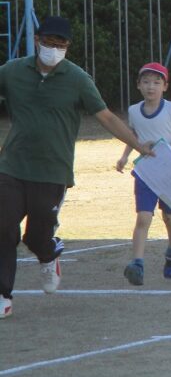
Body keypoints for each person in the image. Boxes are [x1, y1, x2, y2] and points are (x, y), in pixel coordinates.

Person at [0, 16, 153, 319]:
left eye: (60, 45)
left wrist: (138, 146)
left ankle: (48, 253)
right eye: (49, 43)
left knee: (35, 235)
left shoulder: (77, 78)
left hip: (53, 171)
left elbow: (106, 116)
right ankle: (3, 294)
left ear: (67, 46)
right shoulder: (13, 71)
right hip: (12, 166)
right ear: (36, 40)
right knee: (3, 227)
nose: (53, 49)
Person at [116, 63, 171, 286]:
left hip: (169, 169)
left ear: (165, 86)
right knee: (143, 216)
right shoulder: (133, 111)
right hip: (145, 171)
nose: (151, 87)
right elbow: (133, 135)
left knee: (169, 216)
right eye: (146, 82)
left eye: (157, 83)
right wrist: (124, 156)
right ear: (139, 85)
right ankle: (137, 263)